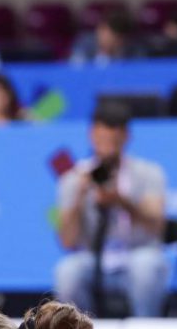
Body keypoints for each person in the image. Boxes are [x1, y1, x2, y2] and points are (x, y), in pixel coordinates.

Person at [53, 103, 170, 317]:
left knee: (146, 266)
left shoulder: (148, 173)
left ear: (126, 137)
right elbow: (67, 242)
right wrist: (79, 196)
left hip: (135, 252)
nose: (107, 147)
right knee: (67, 271)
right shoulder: (73, 179)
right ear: (92, 136)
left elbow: (157, 226)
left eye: (113, 141)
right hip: (92, 257)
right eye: (102, 140)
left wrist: (121, 201)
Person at [70, 10, 137, 65]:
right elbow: (75, 65)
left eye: (118, 38)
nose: (114, 41)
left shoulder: (132, 48)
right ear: (100, 28)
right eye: (104, 31)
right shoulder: (85, 42)